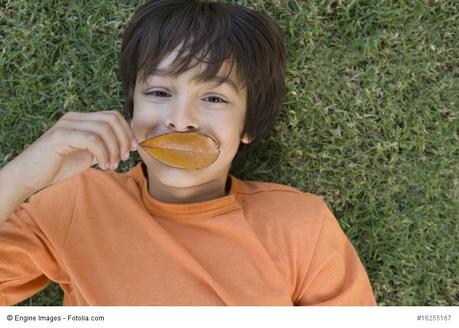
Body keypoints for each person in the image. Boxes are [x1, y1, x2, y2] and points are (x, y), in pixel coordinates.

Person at [0, 0, 377, 306]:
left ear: (248, 126)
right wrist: (20, 178)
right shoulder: (74, 203)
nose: (180, 120)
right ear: (132, 108)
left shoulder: (301, 225)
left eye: (214, 98)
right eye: (159, 93)